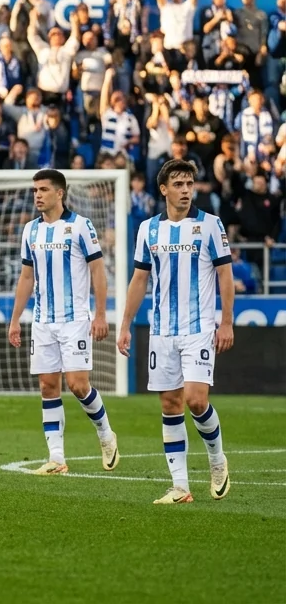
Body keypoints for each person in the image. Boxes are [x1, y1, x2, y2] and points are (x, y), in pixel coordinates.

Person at [117, 159, 234, 504]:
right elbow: (139, 279)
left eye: (189, 184)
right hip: (162, 332)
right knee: (170, 404)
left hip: (198, 329)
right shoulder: (148, 229)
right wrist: (125, 324)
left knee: (196, 400)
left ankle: (216, 459)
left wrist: (225, 321)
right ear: (164, 189)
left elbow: (225, 276)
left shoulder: (210, 225)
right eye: (178, 184)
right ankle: (180, 486)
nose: (185, 190)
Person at [7, 170, 120, 475]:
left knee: (78, 385)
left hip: (75, 321)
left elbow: (98, 271)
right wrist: (15, 319)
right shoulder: (30, 230)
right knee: (47, 385)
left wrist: (100, 314)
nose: (37, 195)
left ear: (60, 193)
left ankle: (105, 434)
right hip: (43, 321)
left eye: (43, 189)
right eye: (34, 190)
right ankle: (56, 458)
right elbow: (26, 276)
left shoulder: (81, 226)